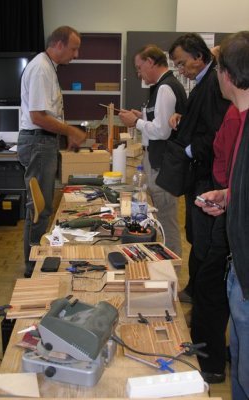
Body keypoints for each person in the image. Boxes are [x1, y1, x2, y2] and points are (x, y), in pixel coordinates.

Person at [196, 31, 249, 400]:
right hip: (239, 272)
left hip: (247, 280)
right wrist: (229, 197)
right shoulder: (242, 118)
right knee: (241, 374)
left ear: (226, 74)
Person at [18, 26, 86, 278]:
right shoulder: (41, 69)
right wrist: (69, 131)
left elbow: (47, 114)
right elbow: (37, 116)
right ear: (58, 44)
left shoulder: (48, 67)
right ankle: (33, 267)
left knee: (43, 207)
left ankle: (35, 260)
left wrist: (62, 133)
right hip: (37, 143)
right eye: (73, 48)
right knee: (39, 208)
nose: (76, 54)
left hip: (43, 142)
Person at [168, 33, 230, 302]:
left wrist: (189, 150)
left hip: (207, 175)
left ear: (199, 57)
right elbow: (202, 121)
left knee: (204, 241)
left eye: (182, 64)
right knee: (194, 235)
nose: (181, 70)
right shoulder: (203, 82)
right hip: (197, 174)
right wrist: (184, 118)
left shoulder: (214, 84)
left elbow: (217, 131)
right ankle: (194, 290)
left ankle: (202, 297)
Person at [119, 44, 187, 257]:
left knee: (166, 219)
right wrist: (141, 117)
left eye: (139, 68)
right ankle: (163, 261)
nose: (139, 73)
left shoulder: (166, 87)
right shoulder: (160, 87)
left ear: (150, 62)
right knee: (161, 217)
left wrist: (136, 123)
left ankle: (172, 269)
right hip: (158, 160)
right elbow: (161, 122)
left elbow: (162, 131)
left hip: (164, 163)